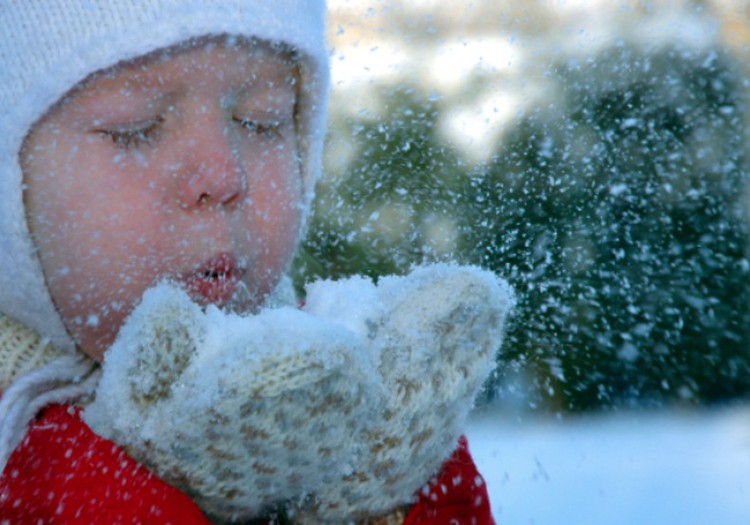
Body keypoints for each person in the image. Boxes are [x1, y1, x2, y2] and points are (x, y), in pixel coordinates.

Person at [0, 1, 500, 523]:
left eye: (261, 121)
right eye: (136, 128)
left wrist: (395, 493)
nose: (223, 175)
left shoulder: (343, 403)